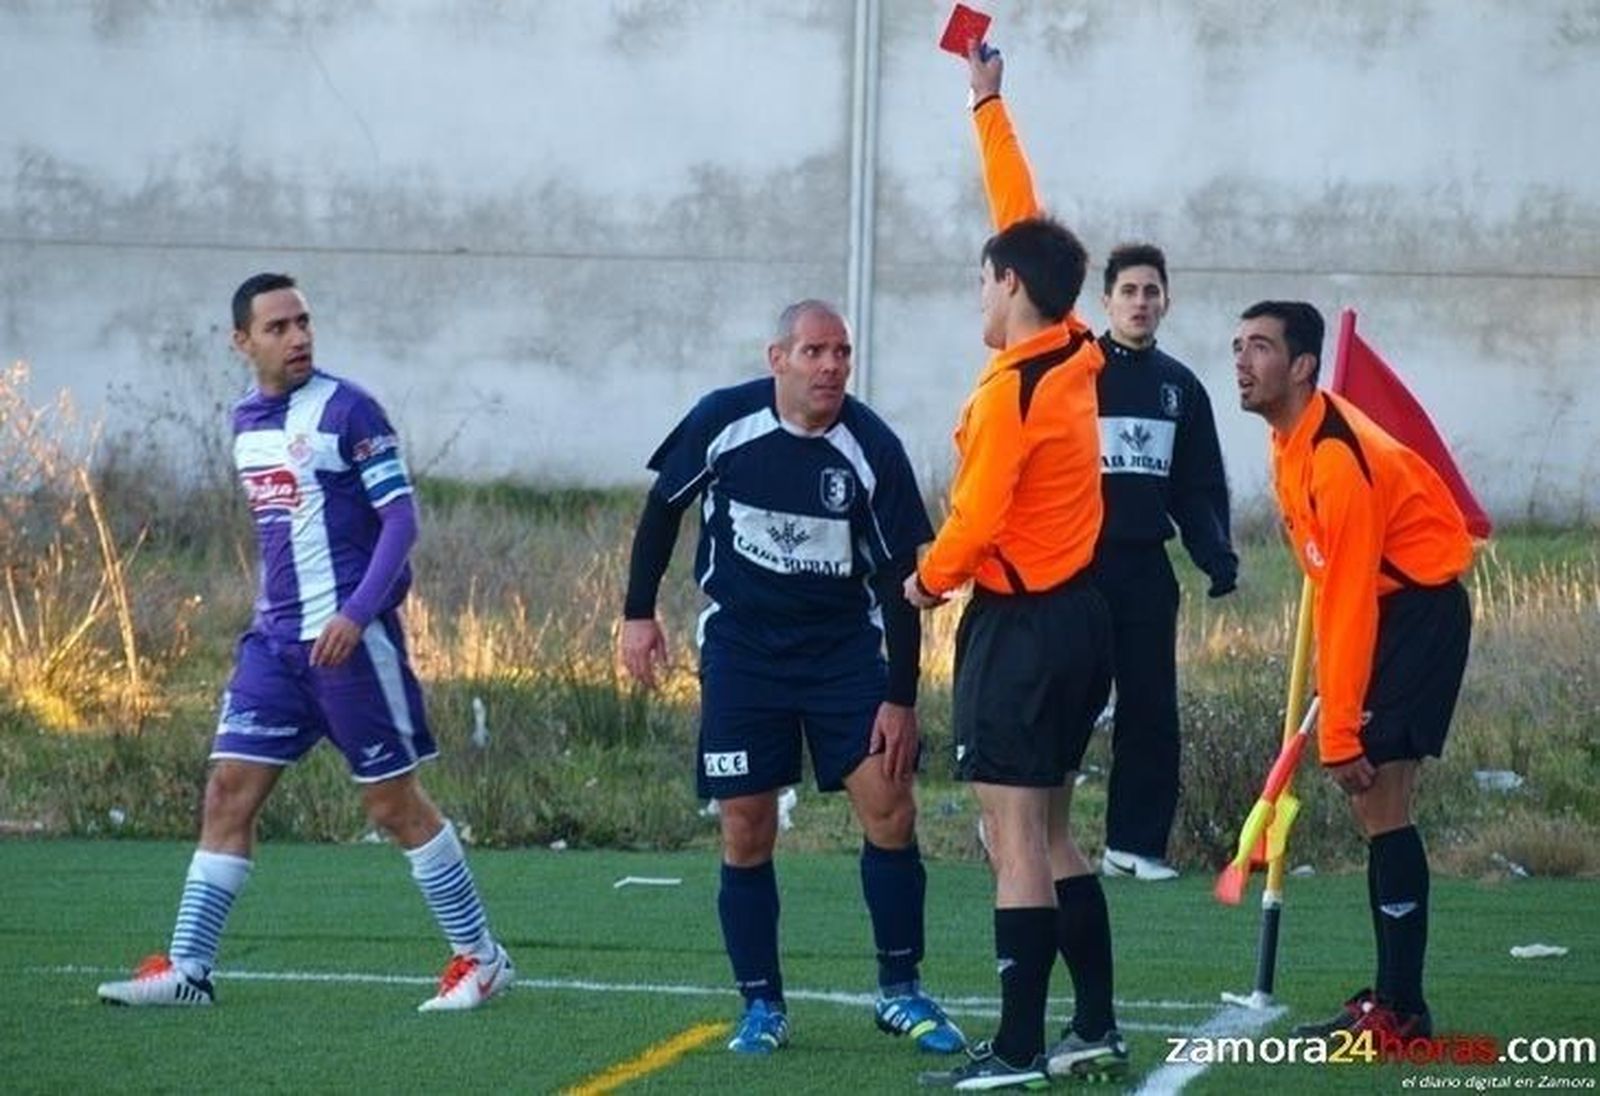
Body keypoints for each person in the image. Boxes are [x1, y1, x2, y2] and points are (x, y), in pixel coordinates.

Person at [97, 273, 513, 1012]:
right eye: (278, 327)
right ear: (242, 341)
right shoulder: (244, 423)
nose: (298, 337)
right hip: (274, 651)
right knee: (227, 791)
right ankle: (189, 969)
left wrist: (355, 613)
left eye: (304, 322)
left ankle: (482, 960)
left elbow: (401, 522)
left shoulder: (350, 411)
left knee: (392, 807)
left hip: (350, 648)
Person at [617, 299, 964, 1058]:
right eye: (814, 352)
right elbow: (661, 509)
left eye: (842, 352)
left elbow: (902, 580)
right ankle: (762, 1005)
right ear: (777, 358)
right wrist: (637, 613)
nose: (831, 366)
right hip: (743, 651)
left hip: (843, 654)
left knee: (891, 807)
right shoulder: (723, 420)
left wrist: (901, 698)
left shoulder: (873, 447)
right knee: (745, 825)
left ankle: (901, 990)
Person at [910, 43, 1125, 1089]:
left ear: (1009, 285)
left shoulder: (1009, 394)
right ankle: (1096, 1025)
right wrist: (986, 105)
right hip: (1081, 620)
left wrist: (923, 582)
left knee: (1014, 840)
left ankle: (1019, 1046)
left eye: (986, 279)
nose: (980, 296)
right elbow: (1022, 213)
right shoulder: (1073, 344)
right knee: (1053, 830)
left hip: (1023, 627)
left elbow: (974, 518)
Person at [1233, 300, 1473, 1040]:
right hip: (1386, 612)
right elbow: (1330, 577)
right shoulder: (1288, 441)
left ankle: (1402, 1010)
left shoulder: (1335, 458)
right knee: (1377, 811)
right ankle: (1395, 1000)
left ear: (1303, 365)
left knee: (1381, 798)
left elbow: (1347, 603)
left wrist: (1339, 730)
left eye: (1260, 347)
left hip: (1416, 614)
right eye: (1238, 346)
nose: (1241, 361)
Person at [1093, 243, 1237, 882]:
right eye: (1129, 291)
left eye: (1151, 291)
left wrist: (1216, 555)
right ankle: (1029, 833)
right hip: (1076, 568)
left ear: (1166, 302)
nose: (1140, 302)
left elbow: (1197, 485)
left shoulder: (1180, 387)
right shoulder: (1078, 373)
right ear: (1106, 301)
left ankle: (1132, 847)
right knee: (1062, 703)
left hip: (1145, 572)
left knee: (1150, 710)